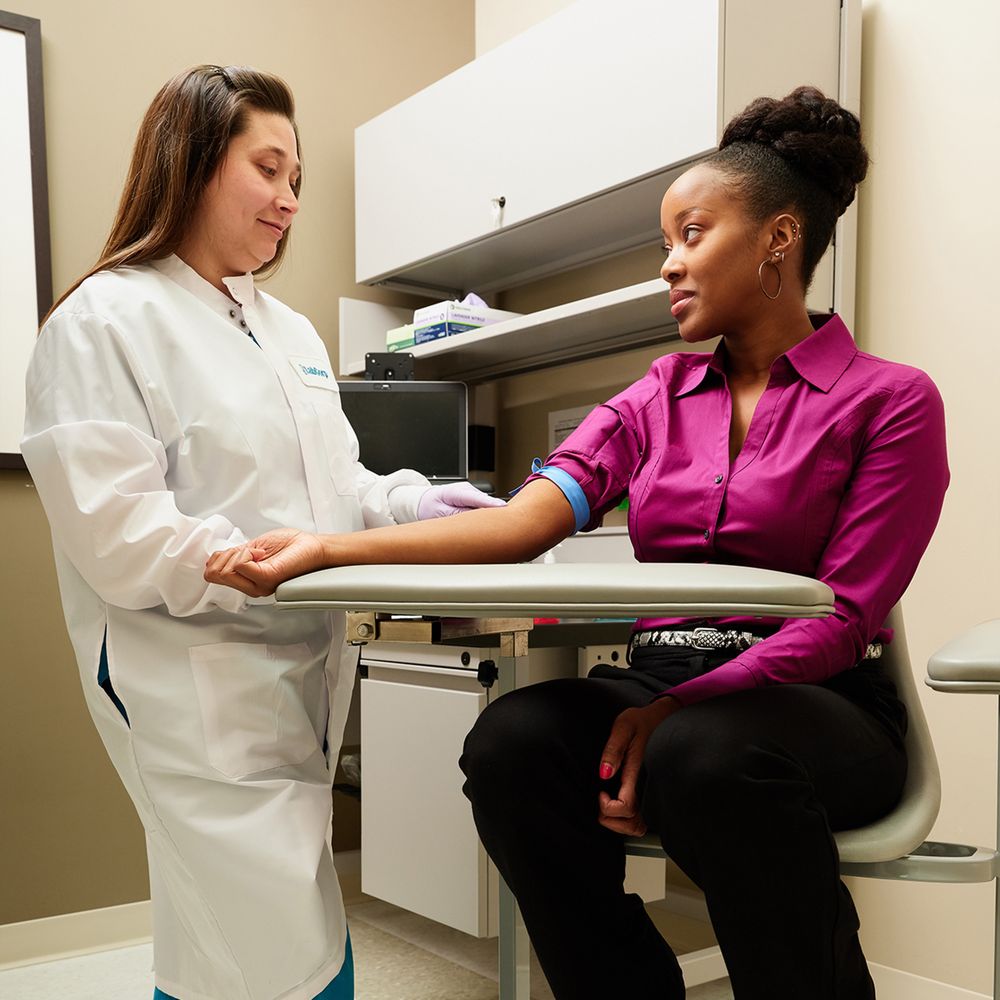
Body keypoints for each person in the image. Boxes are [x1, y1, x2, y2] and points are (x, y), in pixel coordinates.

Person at [206, 87, 949, 999]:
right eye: (665, 242)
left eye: (690, 235)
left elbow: (843, 619)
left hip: (817, 703)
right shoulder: (654, 397)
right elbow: (520, 525)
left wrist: (676, 712)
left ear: (779, 239)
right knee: (512, 743)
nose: (668, 265)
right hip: (664, 686)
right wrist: (326, 549)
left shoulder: (891, 401)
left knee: (704, 754)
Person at [21, 65, 502, 1000]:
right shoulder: (104, 319)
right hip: (189, 672)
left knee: (229, 940)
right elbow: (112, 523)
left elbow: (337, 485)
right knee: (279, 951)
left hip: (297, 667)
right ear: (193, 162)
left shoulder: (289, 332)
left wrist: (413, 503)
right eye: (268, 169)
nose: (290, 200)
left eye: (297, 179)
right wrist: (226, 556)